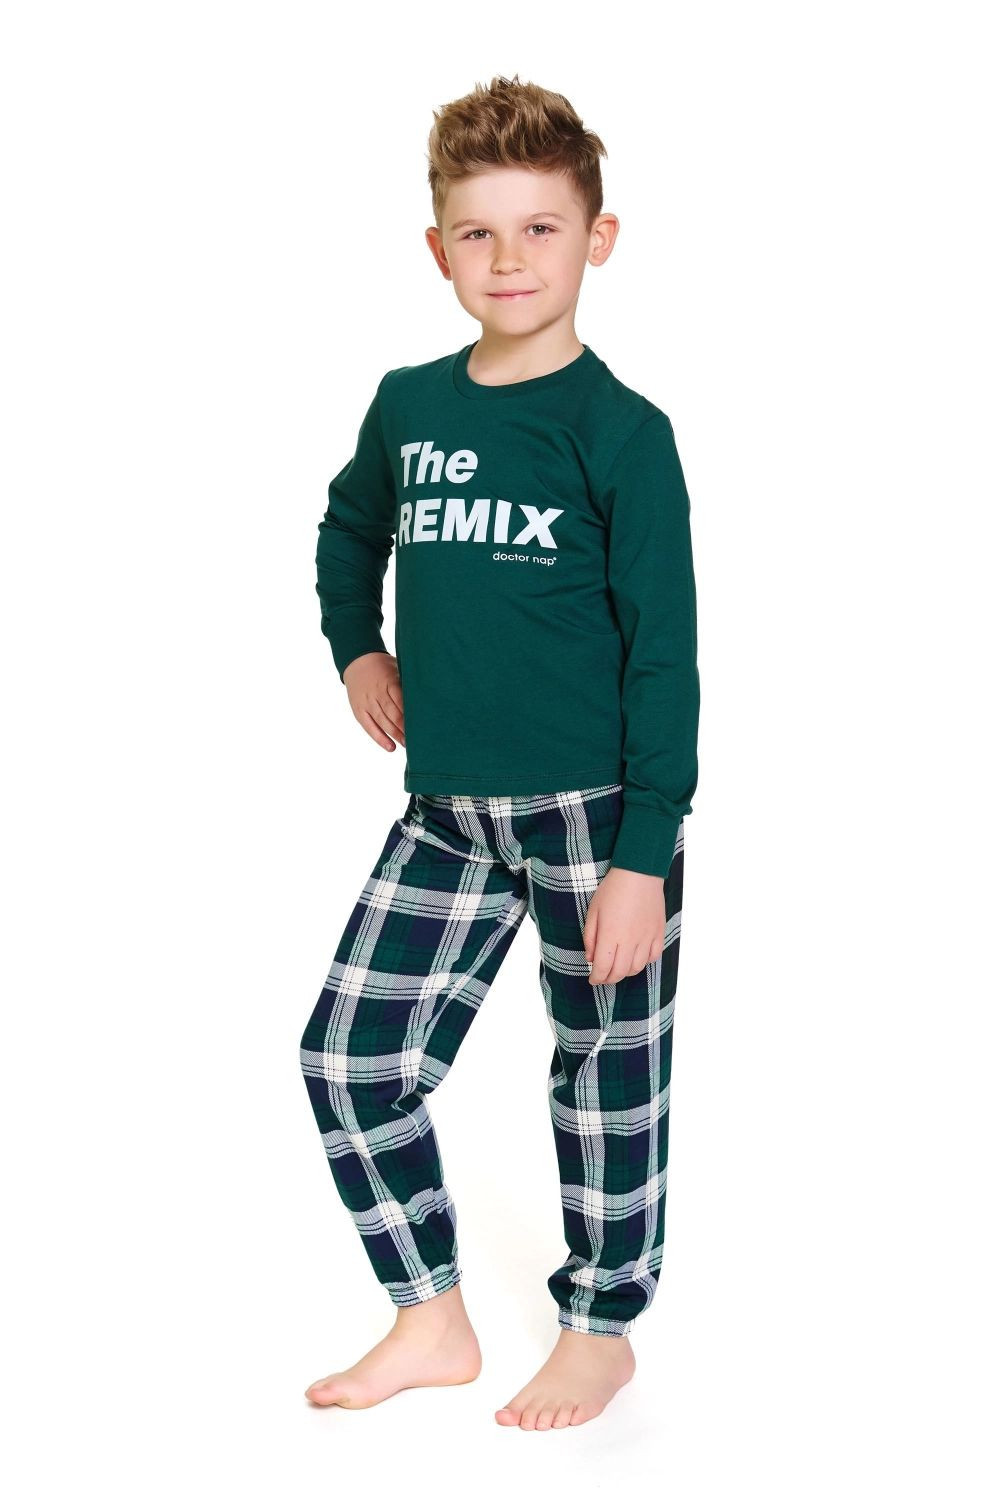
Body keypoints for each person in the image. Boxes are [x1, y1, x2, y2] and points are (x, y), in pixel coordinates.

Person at [299, 72, 700, 1431]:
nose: (509, 258)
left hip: (599, 815)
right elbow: (348, 529)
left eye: (541, 228)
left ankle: (601, 1328)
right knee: (352, 1060)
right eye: (479, 232)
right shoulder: (410, 405)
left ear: (598, 238)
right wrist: (358, 648)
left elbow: (665, 656)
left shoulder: (621, 433)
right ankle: (431, 1317)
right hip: (448, 813)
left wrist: (645, 854)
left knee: (606, 1079)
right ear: (438, 249)